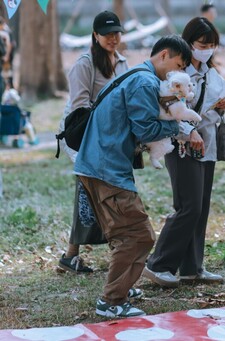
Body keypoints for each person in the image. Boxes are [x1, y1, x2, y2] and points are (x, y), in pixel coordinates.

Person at [74, 35, 192, 318]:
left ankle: (122, 288)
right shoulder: (145, 82)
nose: (179, 73)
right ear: (163, 55)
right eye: (178, 65)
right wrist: (178, 128)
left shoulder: (136, 75)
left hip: (97, 164)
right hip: (106, 168)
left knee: (124, 235)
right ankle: (111, 300)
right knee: (137, 235)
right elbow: (147, 131)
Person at [144, 17, 225, 287]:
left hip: (207, 144)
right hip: (182, 144)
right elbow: (169, 111)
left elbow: (209, 116)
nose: (207, 49)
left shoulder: (212, 74)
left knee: (201, 207)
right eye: (203, 44)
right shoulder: (176, 76)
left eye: (212, 45)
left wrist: (217, 108)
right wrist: (187, 131)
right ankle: (159, 264)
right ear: (189, 43)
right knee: (188, 206)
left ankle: (192, 267)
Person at [57, 11, 129, 274]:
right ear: (95, 36)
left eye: (117, 33)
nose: (113, 38)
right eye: (107, 34)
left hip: (109, 138)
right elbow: (79, 109)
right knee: (91, 192)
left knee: (104, 191)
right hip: (81, 136)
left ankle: (74, 255)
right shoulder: (85, 64)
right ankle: (105, 251)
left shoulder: (122, 63)